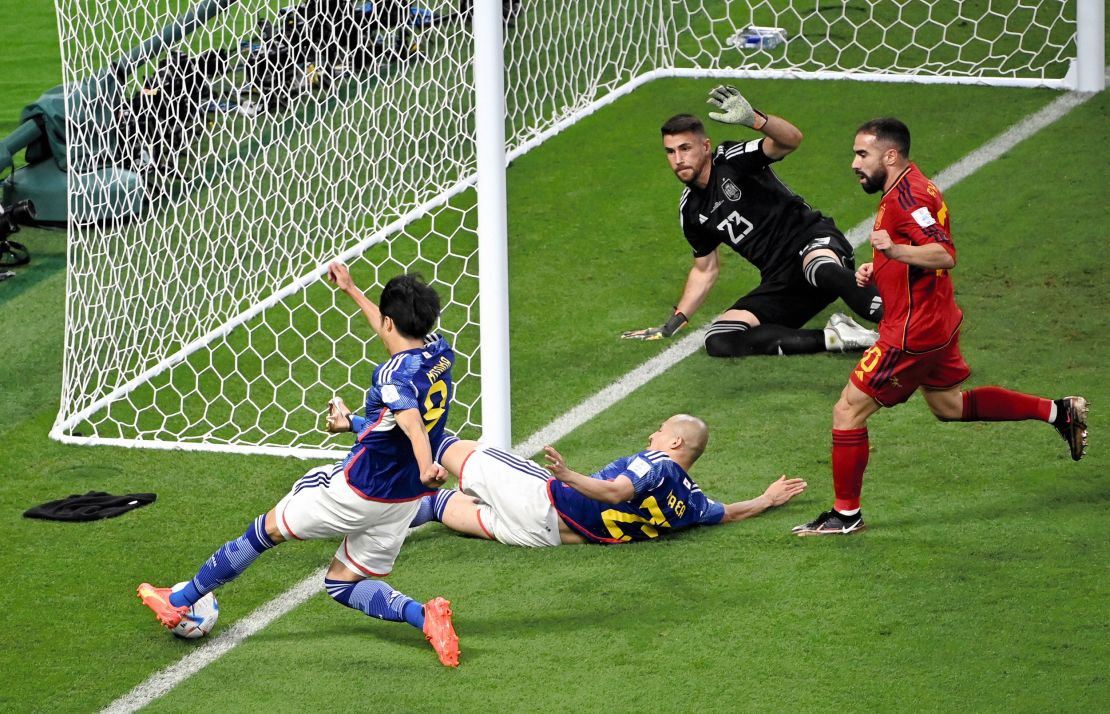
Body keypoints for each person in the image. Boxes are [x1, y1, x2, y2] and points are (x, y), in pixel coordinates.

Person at [137, 264, 461, 667]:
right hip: (404, 499)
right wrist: (352, 289)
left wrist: (428, 463)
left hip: (359, 489)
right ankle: (425, 616)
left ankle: (179, 602)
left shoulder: (391, 375)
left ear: (391, 320)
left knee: (266, 529)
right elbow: (397, 397)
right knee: (342, 583)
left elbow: (411, 425)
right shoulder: (440, 351)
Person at [792, 118, 1089, 536]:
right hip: (937, 319)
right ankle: (1059, 411)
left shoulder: (908, 198)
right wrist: (880, 267)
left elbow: (943, 254)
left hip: (912, 333)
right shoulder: (909, 186)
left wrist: (893, 249)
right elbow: (919, 250)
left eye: (862, 154)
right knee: (948, 406)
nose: (854, 164)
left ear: (890, 155)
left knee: (847, 411)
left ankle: (845, 516)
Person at [622, 84, 884, 357]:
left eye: (685, 148)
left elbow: (791, 140)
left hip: (812, 242)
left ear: (705, 146)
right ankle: (838, 337)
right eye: (670, 152)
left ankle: (903, 324)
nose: (678, 159)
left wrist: (757, 121)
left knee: (818, 268)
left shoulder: (730, 160)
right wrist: (674, 321)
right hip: (782, 281)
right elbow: (705, 270)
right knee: (719, 339)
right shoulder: (690, 210)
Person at [408, 414, 807, 545]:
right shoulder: (694, 502)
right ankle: (401, 510)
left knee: (440, 442)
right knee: (441, 507)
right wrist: (766, 500)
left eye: (660, 430)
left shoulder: (656, 463)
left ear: (675, 441)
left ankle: (356, 431)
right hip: (547, 536)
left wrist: (567, 475)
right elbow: (731, 514)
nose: (652, 435)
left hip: (542, 497)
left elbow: (616, 491)